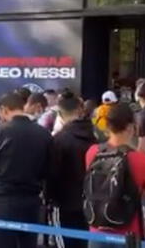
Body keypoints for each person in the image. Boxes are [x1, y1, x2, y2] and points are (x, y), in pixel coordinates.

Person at [84, 103, 145, 248]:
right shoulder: (141, 160)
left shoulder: (92, 152)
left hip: (96, 226)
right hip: (128, 231)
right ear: (131, 127)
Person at [0, 92, 52, 248]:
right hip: (31, 203)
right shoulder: (44, 134)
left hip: (0, 202)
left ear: (3, 109)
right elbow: (49, 169)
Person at [47, 91, 97, 248]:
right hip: (93, 201)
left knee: (65, 242)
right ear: (80, 110)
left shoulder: (59, 140)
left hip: (65, 202)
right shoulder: (97, 136)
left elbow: (52, 173)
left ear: (60, 114)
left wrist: (49, 197)